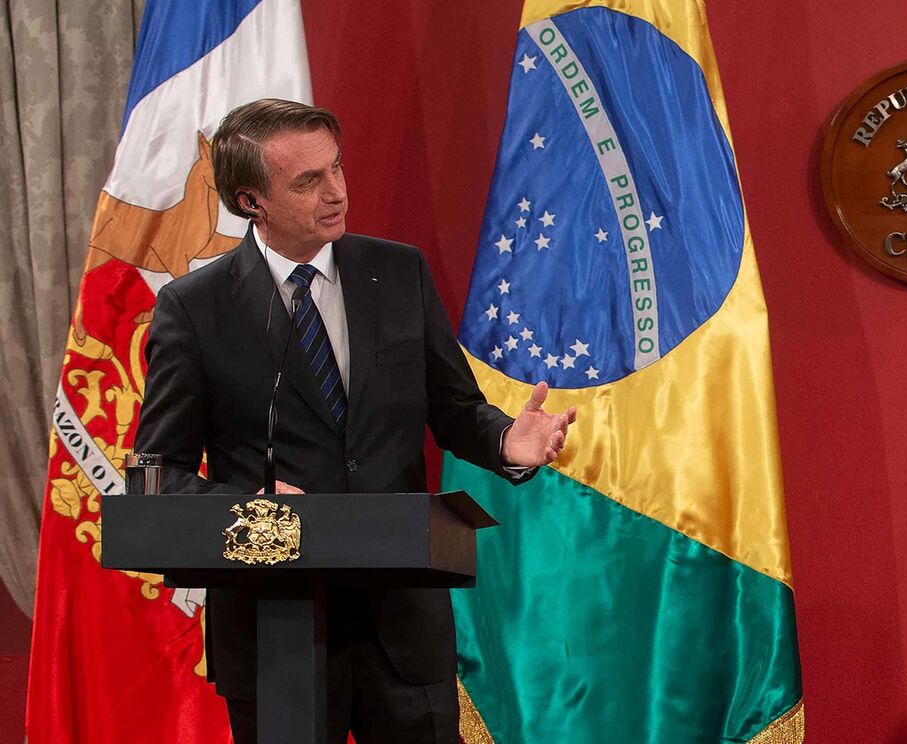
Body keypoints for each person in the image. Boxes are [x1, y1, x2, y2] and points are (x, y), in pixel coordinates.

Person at [133, 98, 575, 743]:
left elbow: (452, 407)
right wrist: (247, 511)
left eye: (336, 168)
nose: (336, 192)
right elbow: (157, 475)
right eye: (307, 181)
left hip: (403, 621)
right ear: (250, 199)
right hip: (276, 627)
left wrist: (506, 438)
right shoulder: (195, 309)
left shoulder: (398, 272)